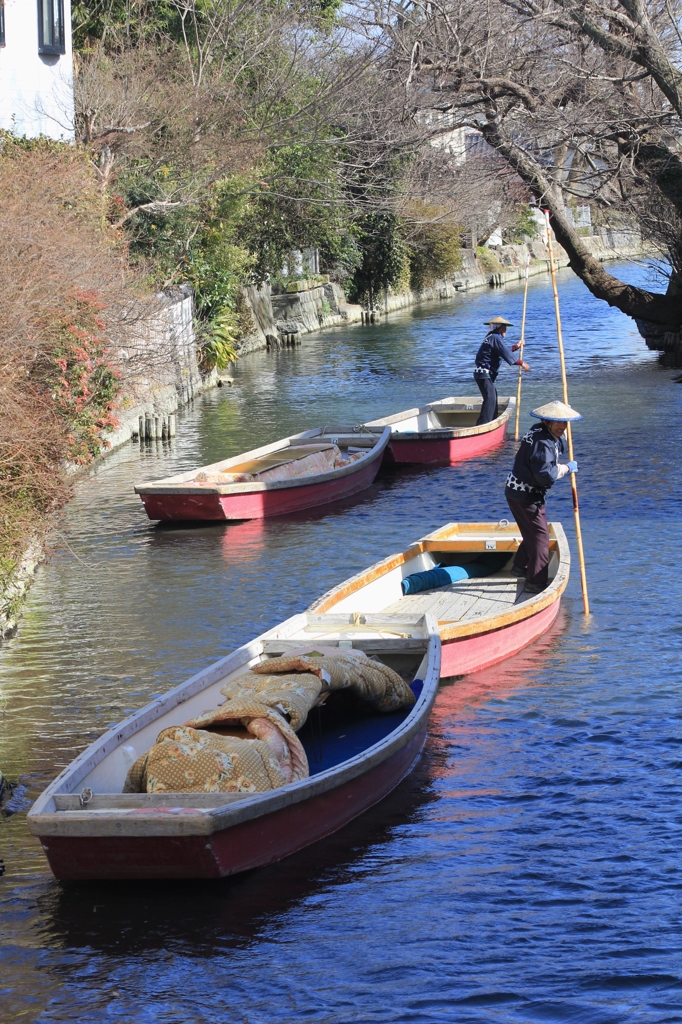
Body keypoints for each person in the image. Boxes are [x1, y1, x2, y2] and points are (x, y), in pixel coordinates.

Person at [505, 400, 581, 593]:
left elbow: (559, 446)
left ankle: (519, 567)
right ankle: (535, 582)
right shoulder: (543, 443)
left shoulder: (538, 430)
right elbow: (546, 474)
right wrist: (565, 468)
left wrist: (563, 431)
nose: (562, 427)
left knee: (532, 532)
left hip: (515, 491)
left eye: (565, 423)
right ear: (547, 422)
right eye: (558, 423)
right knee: (540, 538)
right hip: (526, 495)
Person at [474, 316, 530, 425]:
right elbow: (505, 353)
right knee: (490, 399)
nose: (505, 332)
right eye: (505, 329)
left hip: (483, 374)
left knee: (493, 397)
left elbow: (502, 350)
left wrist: (517, 346)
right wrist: (522, 363)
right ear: (501, 329)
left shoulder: (492, 337)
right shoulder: (495, 337)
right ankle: (483, 424)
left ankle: (491, 421)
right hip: (483, 373)